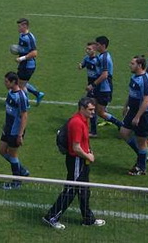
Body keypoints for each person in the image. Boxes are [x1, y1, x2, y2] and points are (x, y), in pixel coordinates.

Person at [42, 97, 105, 230]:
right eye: (91, 109)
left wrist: (89, 152)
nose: (93, 112)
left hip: (81, 160)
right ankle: (51, 217)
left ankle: (88, 219)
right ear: (82, 108)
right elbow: (76, 147)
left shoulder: (83, 119)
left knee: (84, 191)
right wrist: (88, 155)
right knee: (71, 190)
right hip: (77, 160)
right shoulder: (77, 123)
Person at [119, 56, 148, 176]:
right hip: (132, 111)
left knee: (141, 141)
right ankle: (142, 155)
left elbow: (147, 100)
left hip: (143, 114)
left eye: (132, 63)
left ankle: (141, 167)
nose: (130, 65)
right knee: (123, 132)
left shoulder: (145, 80)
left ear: (139, 65)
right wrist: (126, 105)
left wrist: (138, 116)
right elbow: (132, 93)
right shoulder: (134, 77)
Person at [0, 72, 30, 189]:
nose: (5, 83)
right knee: (1, 150)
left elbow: (24, 116)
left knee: (13, 155)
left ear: (13, 82)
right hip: (8, 128)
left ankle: (16, 181)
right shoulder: (10, 92)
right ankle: (21, 169)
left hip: (15, 131)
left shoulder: (21, 97)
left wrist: (20, 135)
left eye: (6, 81)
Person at [92, 36, 122, 129]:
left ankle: (120, 124)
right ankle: (93, 131)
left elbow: (104, 75)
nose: (96, 46)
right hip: (100, 87)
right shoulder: (101, 56)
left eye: (97, 45)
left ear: (103, 45)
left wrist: (93, 84)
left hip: (104, 88)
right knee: (92, 106)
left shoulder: (104, 58)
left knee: (100, 112)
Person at [14, 18, 45, 104]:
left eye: (19, 26)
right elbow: (24, 49)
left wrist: (21, 58)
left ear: (25, 26)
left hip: (28, 65)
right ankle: (38, 94)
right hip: (23, 64)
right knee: (20, 82)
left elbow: (34, 53)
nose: (18, 28)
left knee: (21, 85)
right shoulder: (21, 35)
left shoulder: (29, 38)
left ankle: (25, 104)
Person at [78, 41, 100, 135]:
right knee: (94, 106)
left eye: (89, 49)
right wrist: (80, 66)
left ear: (94, 50)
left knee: (90, 106)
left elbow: (100, 75)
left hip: (95, 86)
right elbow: (82, 65)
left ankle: (93, 131)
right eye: (86, 49)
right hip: (90, 84)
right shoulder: (87, 58)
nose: (87, 51)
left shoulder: (97, 60)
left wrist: (93, 85)